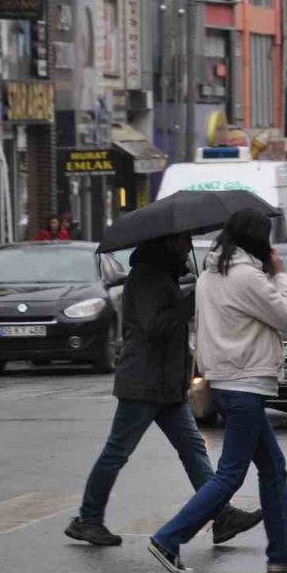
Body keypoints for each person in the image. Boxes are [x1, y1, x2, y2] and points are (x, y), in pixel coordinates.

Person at [65, 233, 263, 547]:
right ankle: (88, 519)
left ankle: (221, 515)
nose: (187, 246)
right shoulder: (146, 277)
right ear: (168, 244)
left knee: (193, 449)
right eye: (183, 241)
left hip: (167, 384)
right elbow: (155, 327)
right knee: (117, 452)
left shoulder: (163, 275)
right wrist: (192, 301)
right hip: (143, 382)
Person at [148, 210, 287, 573]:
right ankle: (168, 538)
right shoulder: (246, 277)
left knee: (273, 467)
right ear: (257, 239)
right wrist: (282, 275)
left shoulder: (212, 274)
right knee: (230, 475)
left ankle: (281, 550)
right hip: (245, 384)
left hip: (226, 381)